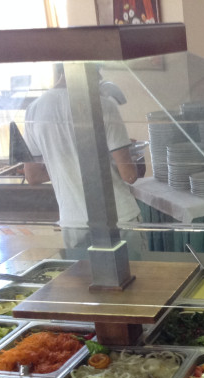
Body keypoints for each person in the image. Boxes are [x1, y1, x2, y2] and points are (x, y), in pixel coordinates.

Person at [23, 64, 142, 250]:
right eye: (97, 71)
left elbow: (33, 175)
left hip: (72, 222)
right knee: (135, 269)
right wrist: (132, 154)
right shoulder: (104, 105)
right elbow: (129, 175)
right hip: (118, 217)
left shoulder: (34, 109)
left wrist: (66, 167)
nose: (99, 77)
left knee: (83, 270)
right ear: (86, 69)